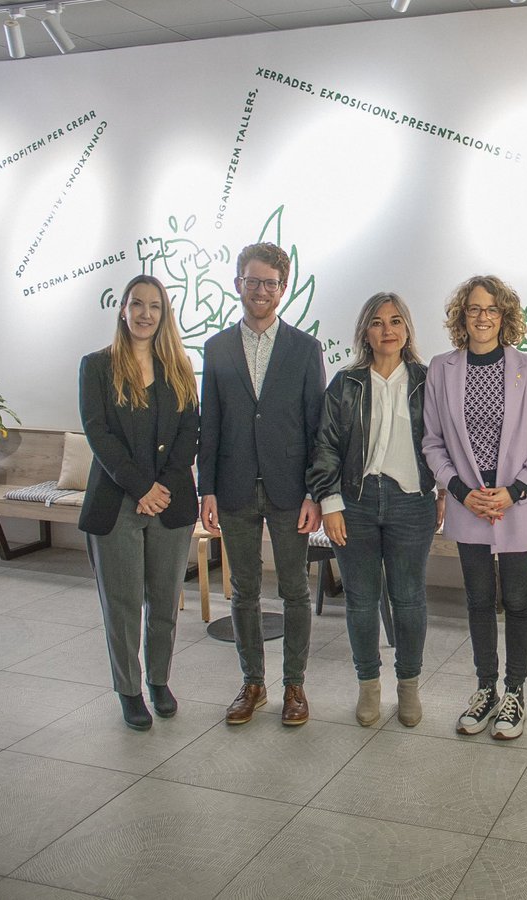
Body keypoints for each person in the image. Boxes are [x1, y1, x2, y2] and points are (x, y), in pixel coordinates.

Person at [422, 275, 527, 740]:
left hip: (517, 503)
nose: (483, 317)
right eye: (474, 309)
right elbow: (433, 443)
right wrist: (460, 490)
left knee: (518, 601)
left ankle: (515, 694)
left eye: (492, 310)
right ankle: (485, 690)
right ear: (462, 316)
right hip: (468, 504)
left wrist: (514, 491)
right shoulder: (441, 368)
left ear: (505, 316)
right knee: (479, 600)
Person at [198, 242, 325, 727]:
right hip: (231, 488)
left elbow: (317, 428)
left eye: (270, 283)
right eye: (252, 281)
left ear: (282, 289)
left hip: (291, 489)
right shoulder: (216, 348)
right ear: (238, 284)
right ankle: (253, 683)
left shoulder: (305, 348)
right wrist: (205, 488)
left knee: (294, 590)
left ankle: (295, 686)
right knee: (243, 591)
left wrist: (316, 492)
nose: (261, 290)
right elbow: (211, 424)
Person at [307, 292, 443, 728]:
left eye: (396, 321)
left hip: (412, 503)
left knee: (409, 600)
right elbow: (325, 446)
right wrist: (330, 504)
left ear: (407, 330)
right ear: (365, 331)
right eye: (378, 322)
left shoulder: (427, 380)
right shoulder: (346, 383)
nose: (388, 330)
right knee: (361, 602)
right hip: (356, 504)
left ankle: (408, 686)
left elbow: (446, 442)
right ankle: (368, 685)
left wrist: (444, 491)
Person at [79, 275, 199, 730]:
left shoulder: (179, 367)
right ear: (123, 310)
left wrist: (162, 487)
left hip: (169, 502)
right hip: (118, 503)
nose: (145, 313)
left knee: (165, 601)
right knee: (124, 604)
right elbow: (99, 434)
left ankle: (159, 682)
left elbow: (191, 429)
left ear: (164, 314)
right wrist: (141, 489)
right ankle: (129, 690)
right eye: (137, 304)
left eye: (154, 306)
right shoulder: (97, 366)